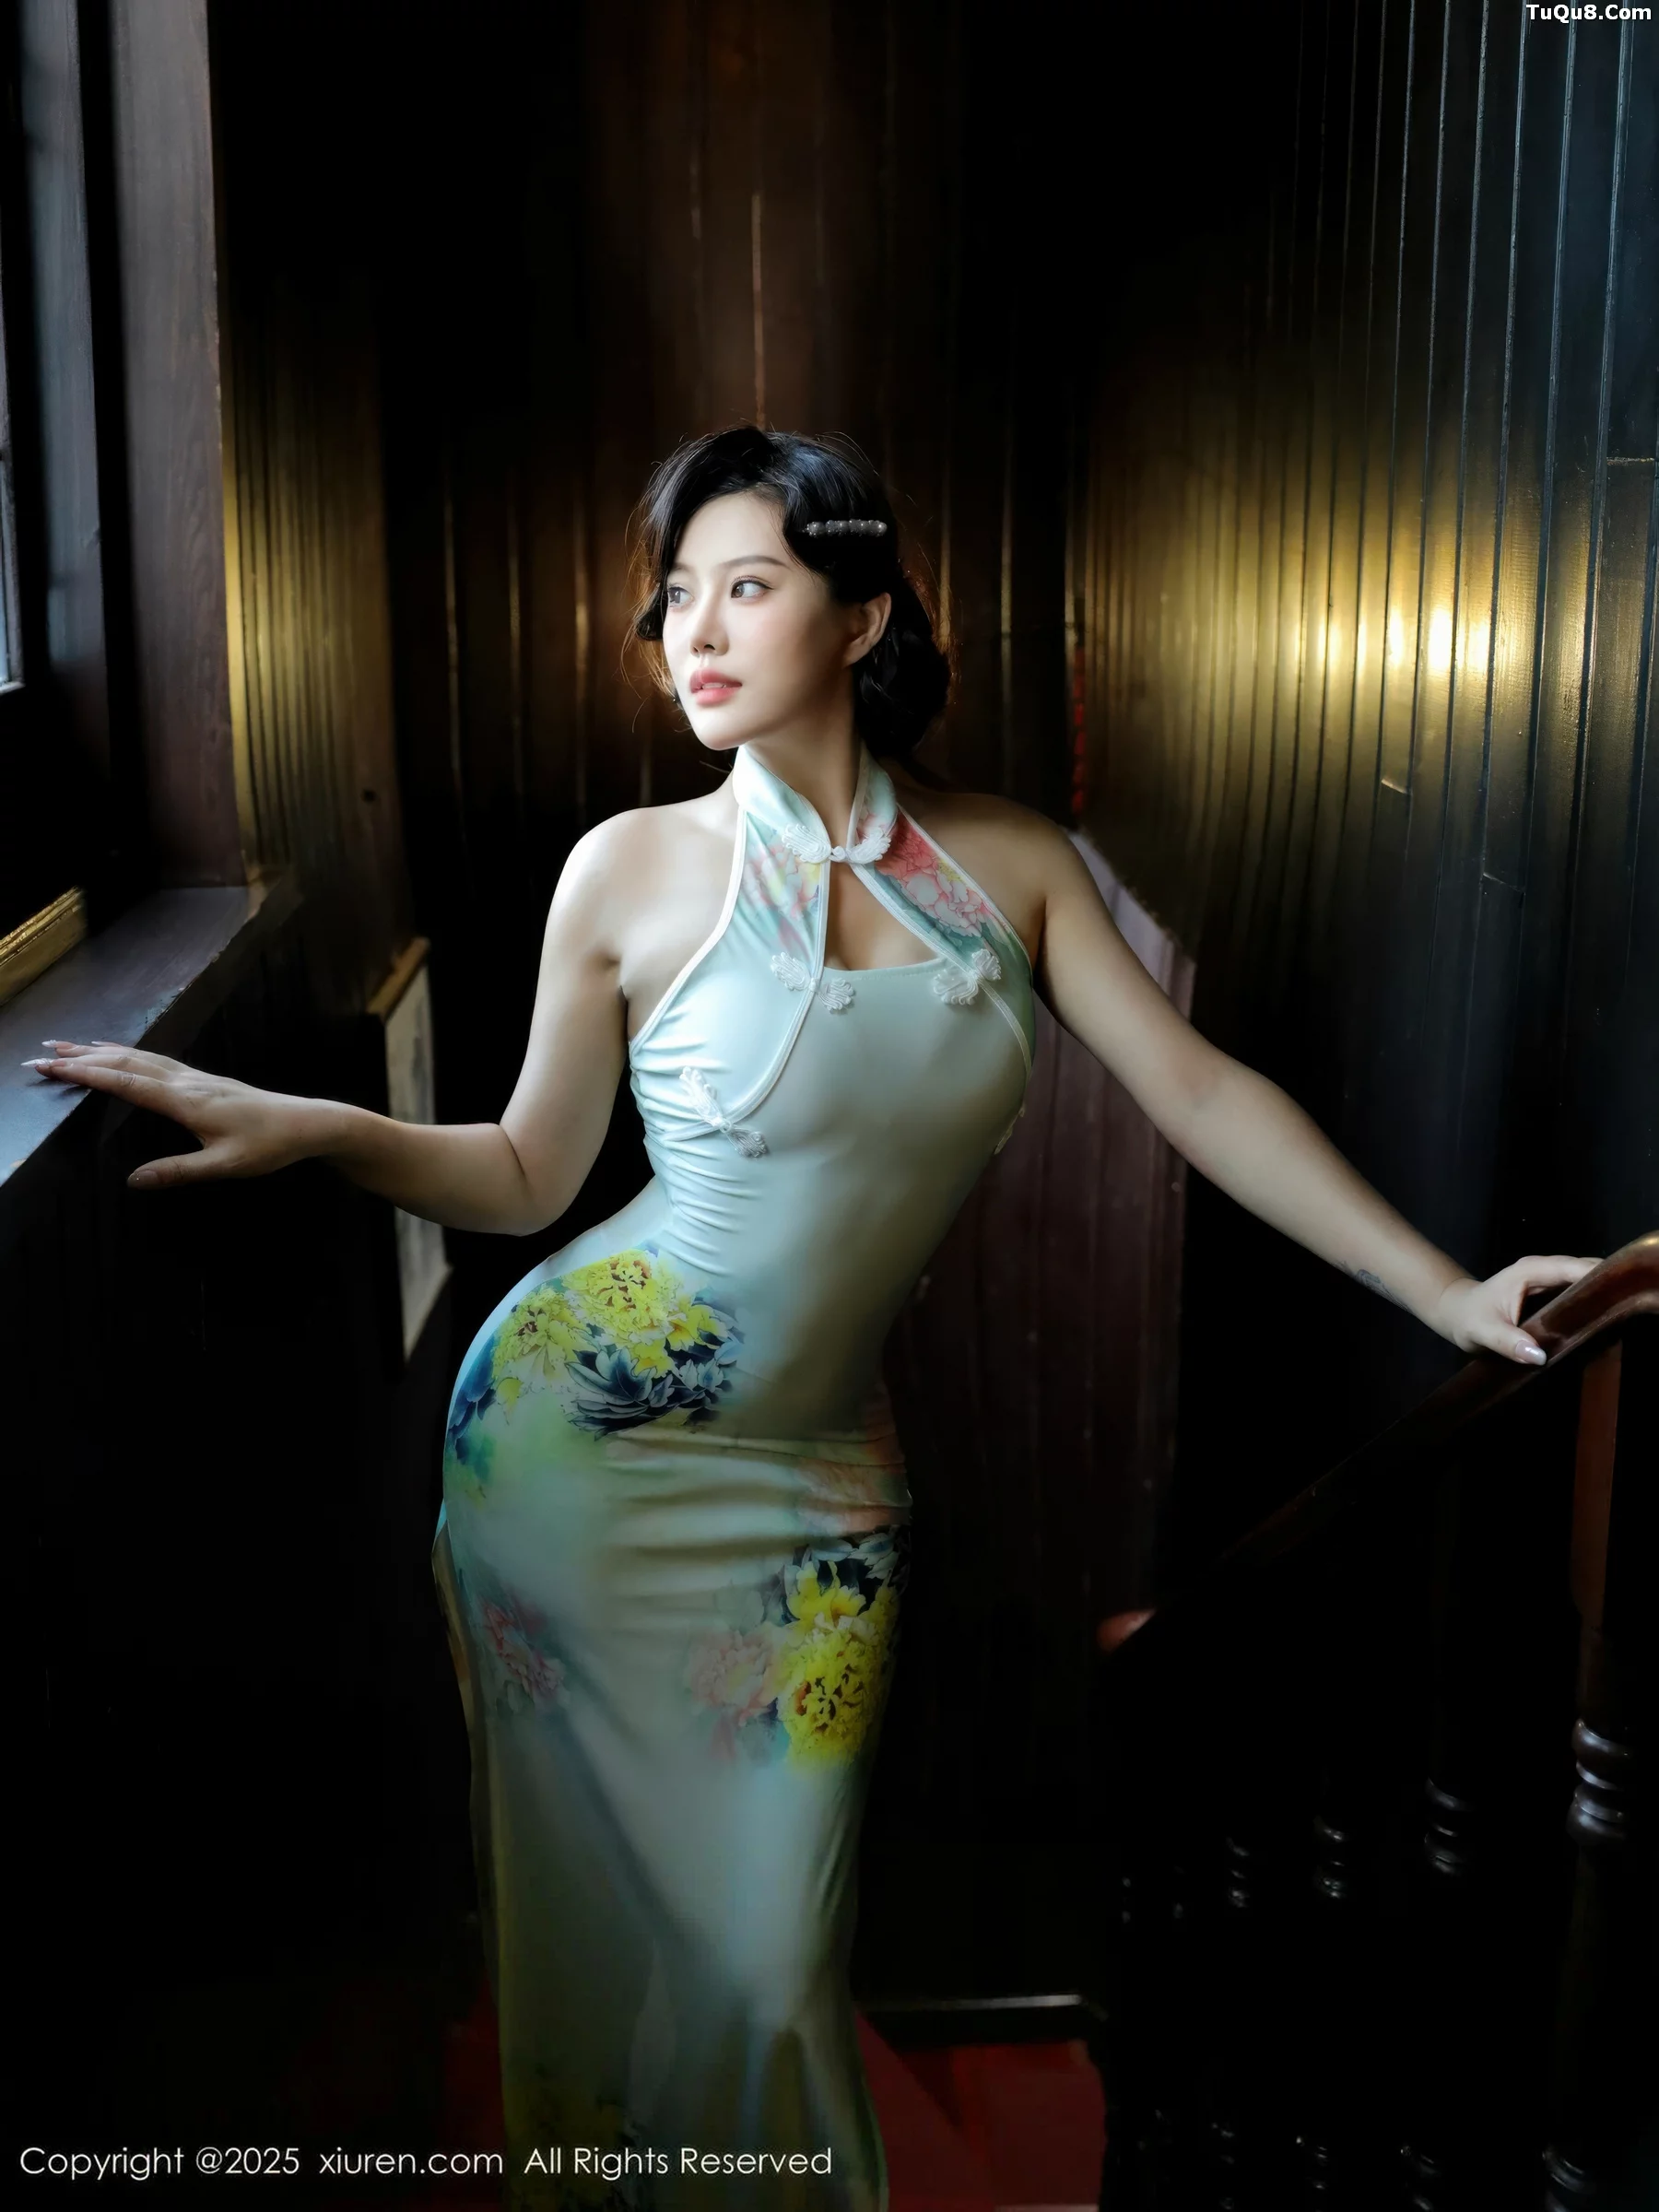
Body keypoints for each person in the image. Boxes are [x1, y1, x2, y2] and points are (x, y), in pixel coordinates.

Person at [28, 424, 1597, 2208]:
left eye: (748, 587)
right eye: (675, 598)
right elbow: (530, 1174)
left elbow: (1202, 1094)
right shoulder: (628, 870)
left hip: (819, 1497)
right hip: (578, 1460)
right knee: (603, 1943)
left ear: (862, 616)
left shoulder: (1009, 865)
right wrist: (315, 1129)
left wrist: (1447, 1287)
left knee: (774, 1975)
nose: (693, 633)